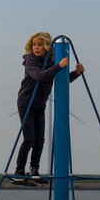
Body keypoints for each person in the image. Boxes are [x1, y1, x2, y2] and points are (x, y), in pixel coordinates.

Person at [13, 32, 85, 183]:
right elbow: (40, 76)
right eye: (34, 45)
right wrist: (59, 66)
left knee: (40, 140)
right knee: (29, 139)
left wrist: (76, 73)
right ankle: (19, 171)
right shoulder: (30, 61)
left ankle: (34, 171)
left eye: (39, 44)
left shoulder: (50, 62)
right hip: (26, 102)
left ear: (46, 46)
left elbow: (59, 78)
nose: (36, 47)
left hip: (39, 104)